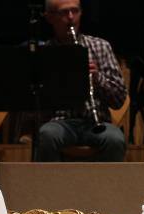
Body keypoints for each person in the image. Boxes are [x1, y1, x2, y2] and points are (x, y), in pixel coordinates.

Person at [38, 0, 127, 161]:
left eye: (75, 11)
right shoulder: (44, 52)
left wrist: (97, 77)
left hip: (96, 122)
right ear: (50, 17)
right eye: (64, 12)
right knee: (47, 134)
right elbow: (33, 102)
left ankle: (109, 186)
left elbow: (119, 99)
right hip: (59, 123)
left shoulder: (100, 46)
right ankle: (50, 186)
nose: (71, 17)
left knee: (115, 139)